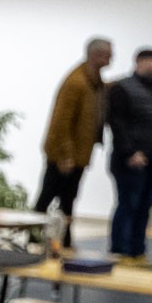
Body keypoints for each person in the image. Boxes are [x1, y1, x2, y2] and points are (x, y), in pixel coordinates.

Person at [104, 46, 152, 260]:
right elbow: (117, 124)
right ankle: (120, 249)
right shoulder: (122, 88)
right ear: (139, 61)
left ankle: (137, 249)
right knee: (129, 203)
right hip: (132, 159)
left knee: (146, 205)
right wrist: (130, 152)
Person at [37, 38, 109, 248]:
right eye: (108, 55)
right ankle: (35, 237)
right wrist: (64, 155)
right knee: (47, 197)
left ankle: (64, 240)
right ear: (96, 55)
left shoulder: (93, 81)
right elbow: (61, 121)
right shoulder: (76, 82)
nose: (111, 59)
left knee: (68, 199)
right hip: (66, 156)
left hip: (78, 154)